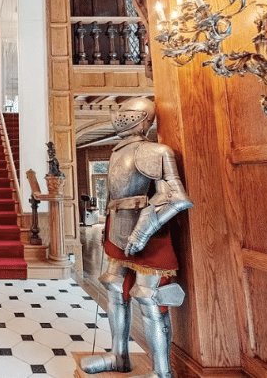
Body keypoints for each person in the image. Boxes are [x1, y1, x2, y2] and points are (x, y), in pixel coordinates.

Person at [80, 97, 193, 378]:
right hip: (117, 228)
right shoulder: (118, 151)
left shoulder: (156, 151)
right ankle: (119, 356)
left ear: (144, 119)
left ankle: (161, 371)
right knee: (115, 290)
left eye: (127, 112)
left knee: (148, 297)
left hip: (149, 233)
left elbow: (175, 196)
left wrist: (142, 230)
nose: (120, 117)